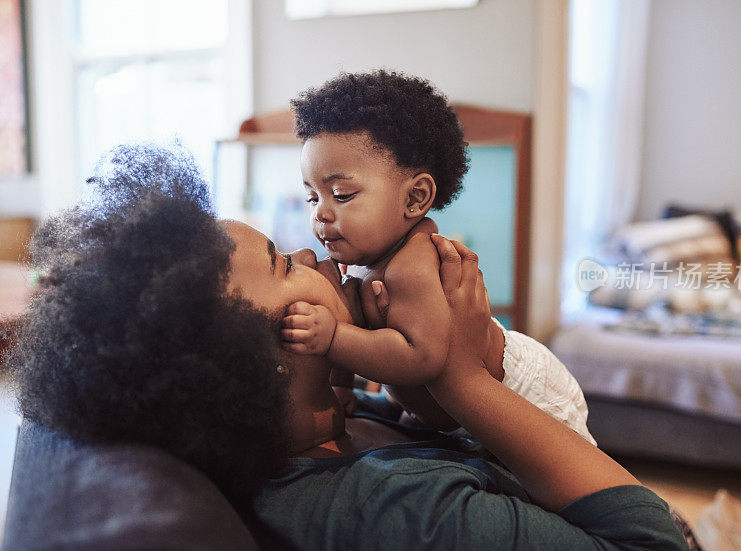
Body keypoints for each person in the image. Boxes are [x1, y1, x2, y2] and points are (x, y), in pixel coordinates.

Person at [7, 143, 690, 549]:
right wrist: (460, 379)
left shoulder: (349, 411)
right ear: (261, 358)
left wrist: (421, 364)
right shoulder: (393, 509)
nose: (309, 247)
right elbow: (651, 539)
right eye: (281, 265)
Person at [282, 70, 595, 443]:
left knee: (547, 482)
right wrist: (342, 387)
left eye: (342, 195)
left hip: (524, 395)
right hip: (450, 416)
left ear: (415, 198)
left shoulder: (412, 265)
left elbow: (420, 356)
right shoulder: (358, 262)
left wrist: (334, 337)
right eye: (312, 198)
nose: (320, 213)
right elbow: (349, 317)